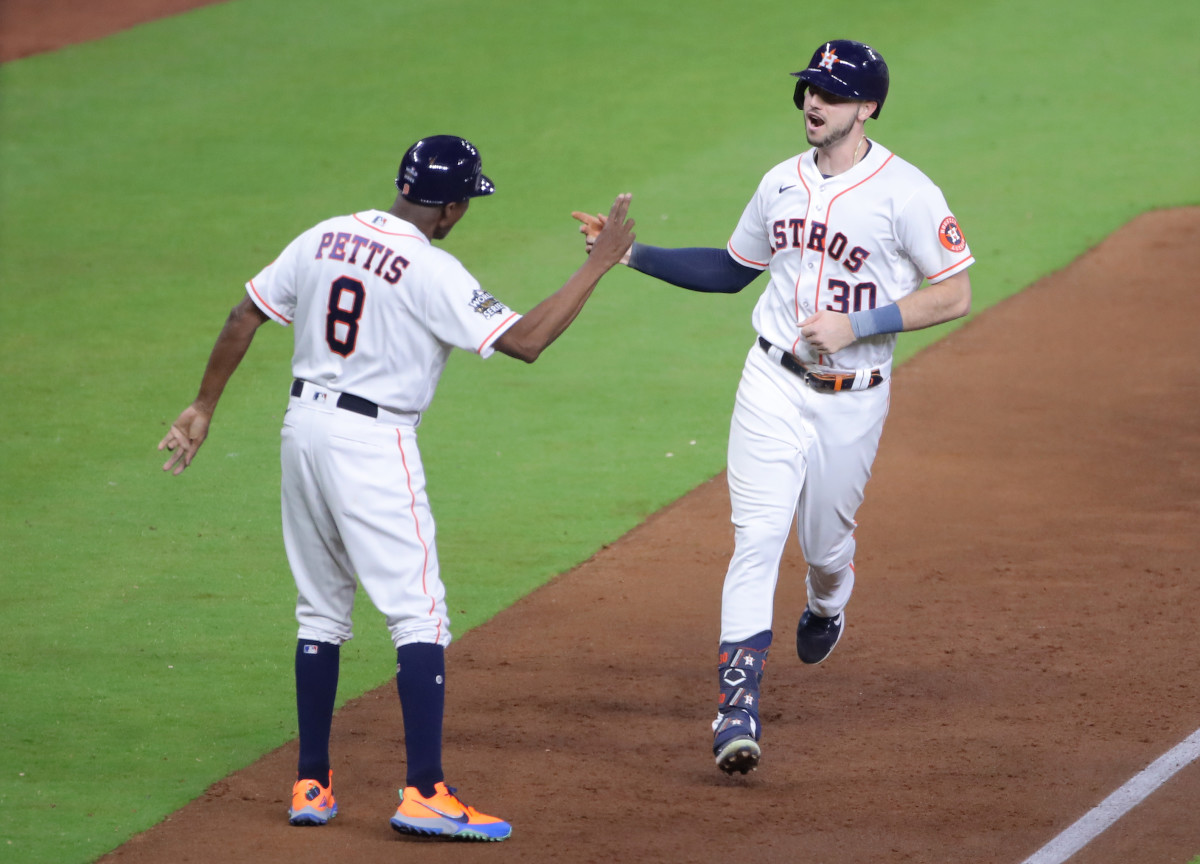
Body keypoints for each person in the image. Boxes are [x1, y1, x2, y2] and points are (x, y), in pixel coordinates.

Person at [159, 135, 635, 839]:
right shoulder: (431, 268)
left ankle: (312, 783)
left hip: (301, 432)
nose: (464, 214)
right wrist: (598, 266)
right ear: (447, 208)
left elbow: (245, 314)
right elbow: (527, 340)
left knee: (320, 611)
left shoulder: (324, 235)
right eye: (465, 203)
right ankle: (424, 791)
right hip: (372, 443)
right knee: (420, 614)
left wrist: (203, 406)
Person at [575, 40, 973, 775]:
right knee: (756, 538)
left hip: (852, 402)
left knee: (823, 548)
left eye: (830, 93)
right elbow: (733, 271)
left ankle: (829, 599)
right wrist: (630, 256)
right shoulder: (779, 184)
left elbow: (954, 291)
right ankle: (737, 705)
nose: (813, 103)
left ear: (869, 106)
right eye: (808, 90)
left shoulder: (908, 193)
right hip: (771, 384)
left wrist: (860, 324)